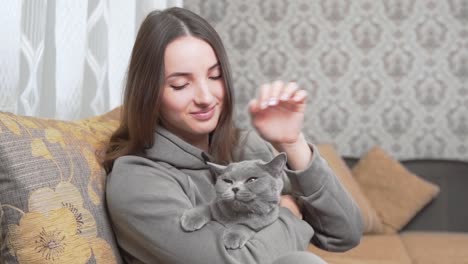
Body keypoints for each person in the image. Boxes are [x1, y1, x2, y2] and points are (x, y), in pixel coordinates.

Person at [103, 7, 363, 264]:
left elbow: (344, 234)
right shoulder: (138, 181)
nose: (206, 98)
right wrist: (288, 213)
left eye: (215, 76)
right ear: (148, 94)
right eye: (180, 84)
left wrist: (292, 143)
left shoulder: (245, 150)